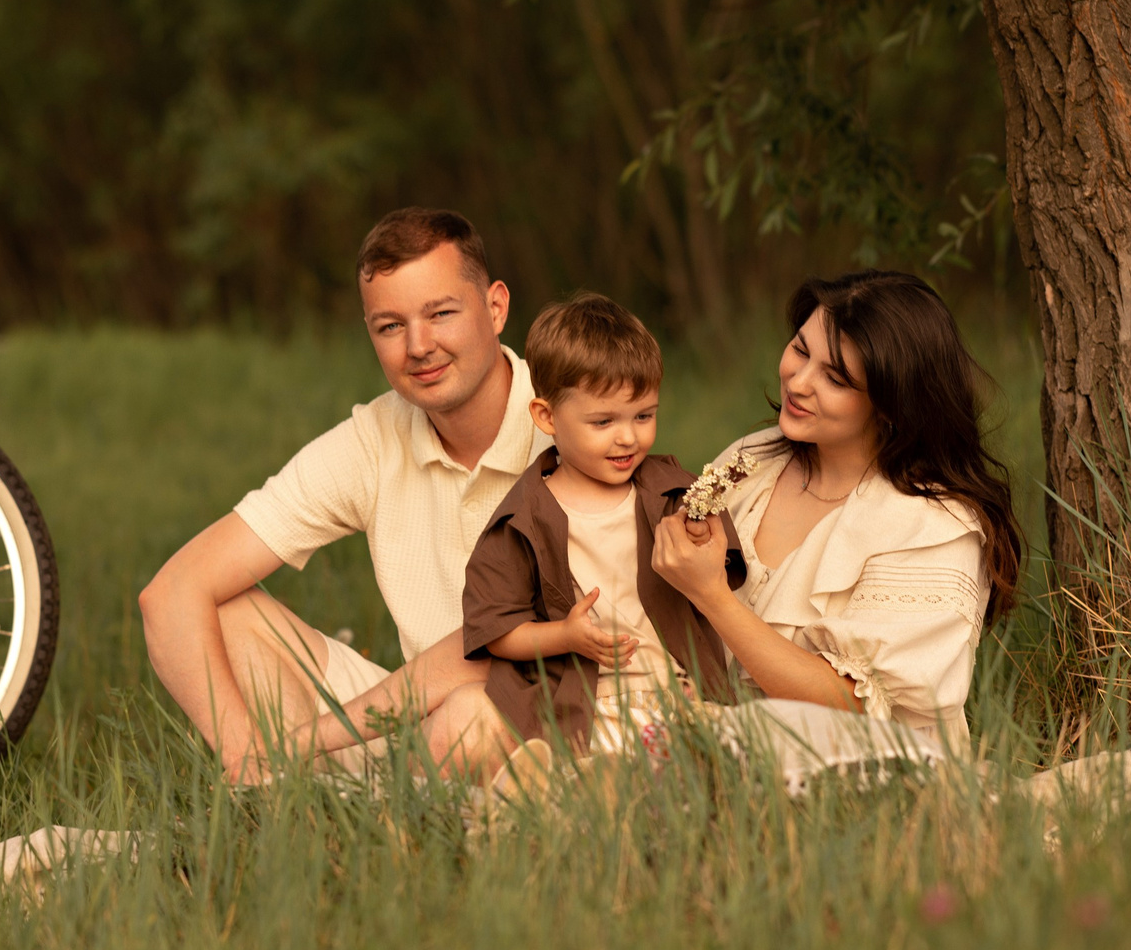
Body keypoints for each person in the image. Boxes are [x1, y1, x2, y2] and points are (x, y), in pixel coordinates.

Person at [137, 208, 547, 782]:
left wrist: (308, 740)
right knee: (226, 612)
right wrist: (244, 756)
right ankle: (290, 802)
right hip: (417, 717)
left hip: (554, 724)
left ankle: (369, 802)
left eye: (441, 314)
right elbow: (171, 593)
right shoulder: (375, 439)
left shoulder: (569, 423)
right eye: (390, 326)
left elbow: (496, 651)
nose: (418, 346)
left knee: (470, 716)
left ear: (496, 307)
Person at [649, 270, 1025, 792]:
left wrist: (712, 596)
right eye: (800, 350)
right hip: (721, 753)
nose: (799, 382)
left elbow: (850, 704)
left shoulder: (933, 525)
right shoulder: (750, 462)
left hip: (865, 784)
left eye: (836, 378)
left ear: (891, 403)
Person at [432, 294, 742, 780]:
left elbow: (720, 577)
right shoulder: (523, 518)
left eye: (643, 416)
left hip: (676, 697)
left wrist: (702, 538)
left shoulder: (670, 492)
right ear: (547, 417)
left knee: (721, 759)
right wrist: (565, 636)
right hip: (585, 710)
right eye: (604, 422)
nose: (628, 437)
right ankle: (568, 789)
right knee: (582, 769)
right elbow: (496, 629)